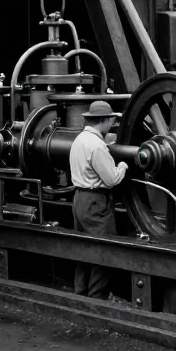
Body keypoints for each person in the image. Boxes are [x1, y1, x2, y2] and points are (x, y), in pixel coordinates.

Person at [68, 100, 127, 299]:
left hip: (79, 199)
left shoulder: (79, 140)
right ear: (105, 120)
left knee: (83, 250)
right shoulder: (97, 146)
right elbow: (112, 180)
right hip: (95, 202)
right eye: (112, 120)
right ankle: (96, 299)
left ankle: (80, 296)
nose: (112, 124)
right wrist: (123, 166)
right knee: (104, 251)